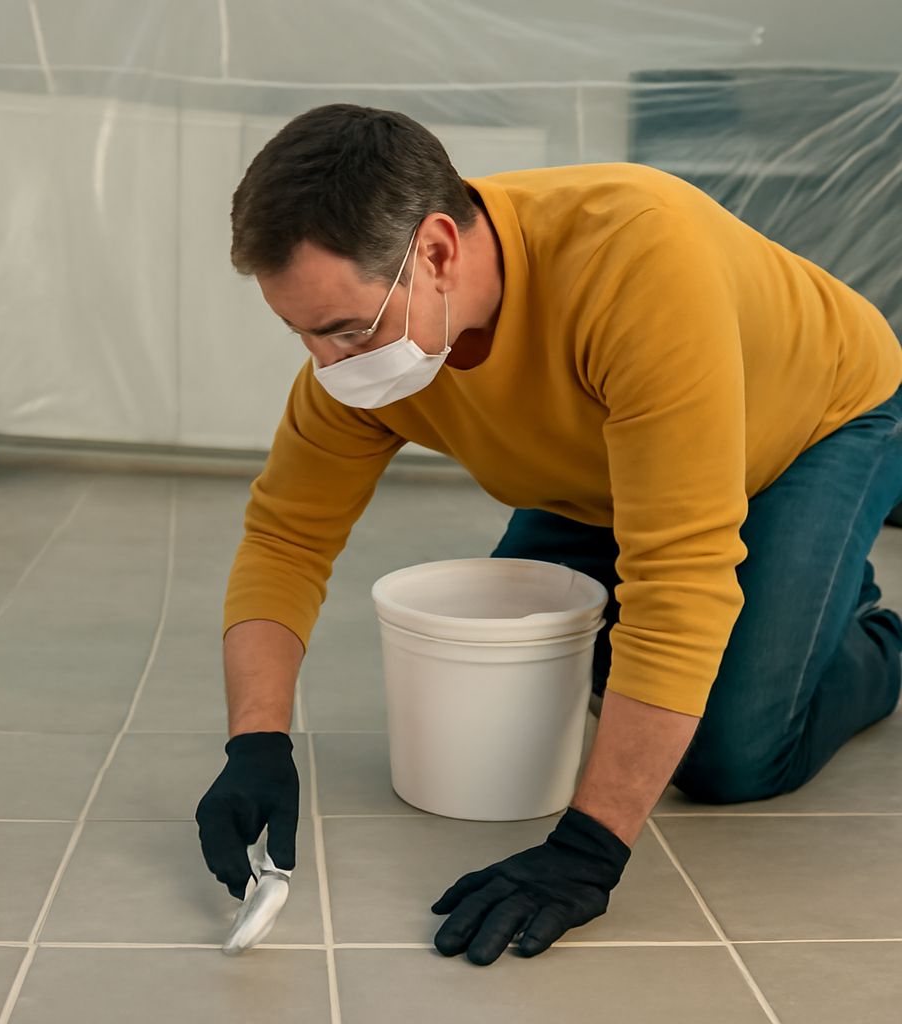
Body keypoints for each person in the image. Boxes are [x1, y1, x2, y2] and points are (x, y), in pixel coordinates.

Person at [195, 103, 902, 967]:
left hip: (815, 422)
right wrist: (256, 741)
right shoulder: (370, 356)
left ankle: (868, 632)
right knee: (541, 674)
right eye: (301, 333)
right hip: (605, 472)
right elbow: (285, 541)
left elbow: (678, 577)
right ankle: (801, 596)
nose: (326, 364)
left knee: (730, 754)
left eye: (344, 329)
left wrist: (591, 847)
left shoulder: (635, 263)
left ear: (439, 251)